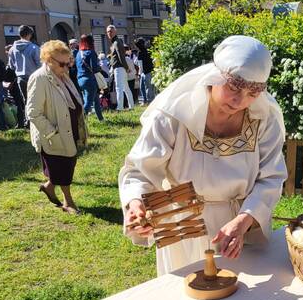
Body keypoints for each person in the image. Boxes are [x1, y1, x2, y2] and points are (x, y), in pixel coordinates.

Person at [119, 35, 287, 276]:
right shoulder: (173, 113)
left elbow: (271, 177)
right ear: (216, 76)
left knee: (243, 296)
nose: (240, 101)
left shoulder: (264, 119)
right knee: (187, 298)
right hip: (182, 223)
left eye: (253, 94)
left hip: (238, 223)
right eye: (234, 88)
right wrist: (136, 203)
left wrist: (244, 220)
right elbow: (139, 170)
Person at [26, 40, 87, 214]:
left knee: (67, 163)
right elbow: (33, 112)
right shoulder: (39, 78)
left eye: (69, 63)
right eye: (63, 64)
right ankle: (68, 202)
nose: (67, 67)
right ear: (48, 60)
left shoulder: (61, 74)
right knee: (62, 166)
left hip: (68, 129)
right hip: (52, 135)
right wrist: (52, 131)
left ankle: (49, 187)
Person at [8, 25, 41, 128]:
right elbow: (40, 65)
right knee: (38, 99)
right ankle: (38, 120)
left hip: (20, 79)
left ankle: (29, 121)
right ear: (29, 34)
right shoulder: (34, 48)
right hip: (34, 77)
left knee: (26, 100)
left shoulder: (12, 49)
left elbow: (11, 66)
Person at [76, 34, 104, 121]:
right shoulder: (91, 52)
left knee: (95, 99)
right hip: (89, 79)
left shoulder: (78, 54)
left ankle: (101, 119)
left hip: (80, 79)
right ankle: (79, 121)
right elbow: (94, 68)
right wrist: (100, 68)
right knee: (88, 103)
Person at [106, 25, 134, 111]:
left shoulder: (117, 42)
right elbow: (119, 56)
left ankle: (120, 107)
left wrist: (126, 67)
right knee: (126, 88)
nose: (109, 33)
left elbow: (121, 56)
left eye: (111, 31)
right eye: (108, 32)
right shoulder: (115, 42)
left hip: (119, 68)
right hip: (119, 67)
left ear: (115, 32)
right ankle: (131, 106)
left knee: (119, 88)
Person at [134, 37, 155, 104]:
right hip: (148, 71)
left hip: (145, 72)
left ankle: (149, 101)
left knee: (145, 87)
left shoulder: (140, 53)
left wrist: (139, 74)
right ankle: (147, 100)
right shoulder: (148, 51)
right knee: (147, 87)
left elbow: (140, 65)